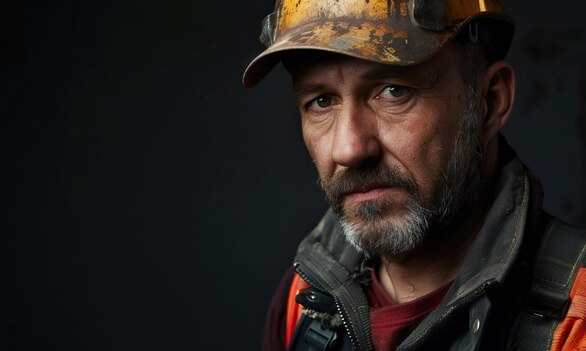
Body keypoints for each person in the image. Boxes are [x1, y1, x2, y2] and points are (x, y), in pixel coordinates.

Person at [243, 0, 586, 350]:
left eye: (393, 91)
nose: (348, 149)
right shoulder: (302, 300)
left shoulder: (576, 322)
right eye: (321, 102)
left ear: (490, 101)